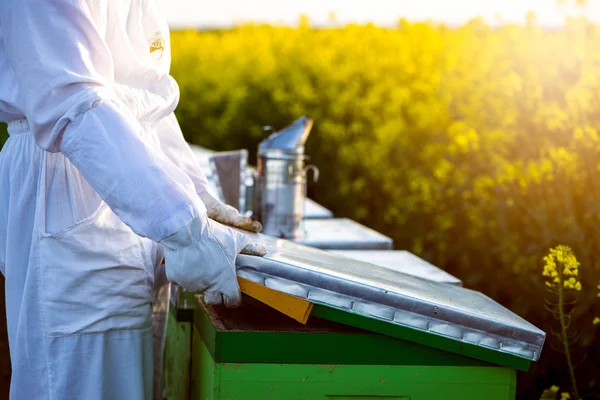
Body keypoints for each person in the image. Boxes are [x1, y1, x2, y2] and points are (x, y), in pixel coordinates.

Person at [0, 0, 265, 398]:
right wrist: (186, 229)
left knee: (135, 379)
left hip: (136, 192)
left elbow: (148, 108)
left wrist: (197, 195)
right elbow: (72, 105)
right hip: (69, 182)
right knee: (84, 381)